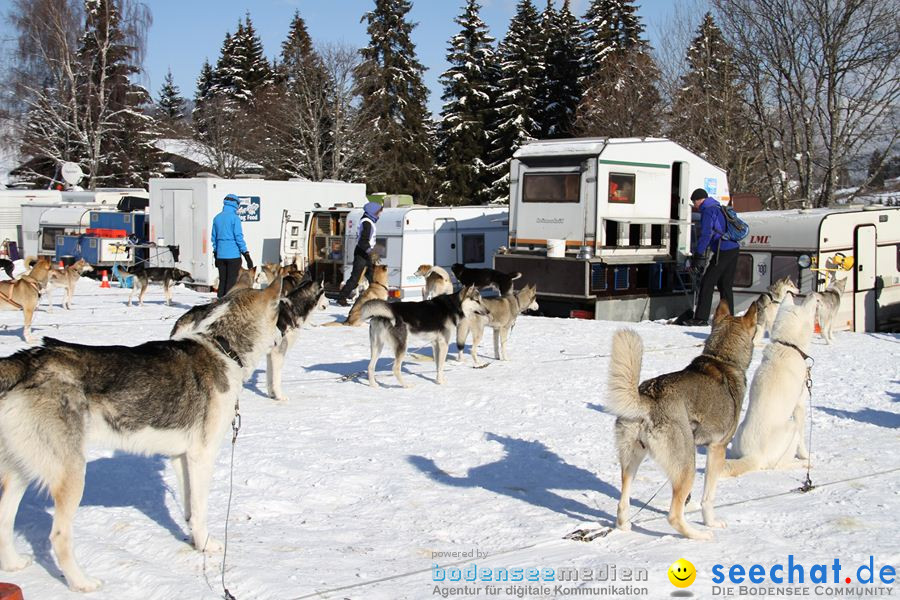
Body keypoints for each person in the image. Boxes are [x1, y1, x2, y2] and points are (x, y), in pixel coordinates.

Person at [687, 188, 740, 325]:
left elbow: (706, 234)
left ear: (699, 200)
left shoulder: (708, 210)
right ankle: (729, 319)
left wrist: (698, 253)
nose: (695, 206)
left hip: (723, 250)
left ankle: (700, 318)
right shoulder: (718, 207)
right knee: (725, 285)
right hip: (733, 248)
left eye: (694, 202)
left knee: (707, 282)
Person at [337, 201, 382, 306]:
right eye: (379, 212)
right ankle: (341, 297)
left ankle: (375, 298)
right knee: (355, 279)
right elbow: (363, 241)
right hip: (362, 253)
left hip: (366, 253)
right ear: (373, 212)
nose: (380, 214)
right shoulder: (367, 223)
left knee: (372, 278)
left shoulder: (369, 221)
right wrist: (371, 252)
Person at [211, 193, 253, 297]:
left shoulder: (217, 218)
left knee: (222, 281)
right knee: (231, 283)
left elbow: (214, 238)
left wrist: (216, 253)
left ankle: (219, 302)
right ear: (235, 204)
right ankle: (227, 306)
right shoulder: (235, 218)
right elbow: (238, 237)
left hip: (220, 256)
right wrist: (246, 254)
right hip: (233, 256)